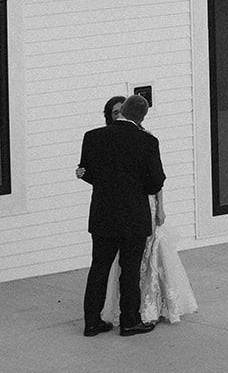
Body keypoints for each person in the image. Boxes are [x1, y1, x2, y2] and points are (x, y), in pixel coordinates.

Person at [77, 92, 165, 337]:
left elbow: (86, 173)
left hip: (102, 213)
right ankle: (129, 321)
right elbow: (155, 182)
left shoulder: (93, 137)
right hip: (133, 216)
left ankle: (92, 323)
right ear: (141, 117)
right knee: (130, 269)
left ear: (122, 110)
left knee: (99, 268)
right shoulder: (148, 142)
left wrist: (106, 185)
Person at [103, 182, 198, 326]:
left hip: (148, 205)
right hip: (131, 205)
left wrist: (160, 208)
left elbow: (157, 179)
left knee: (152, 252)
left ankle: (154, 304)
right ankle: (133, 307)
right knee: (133, 257)